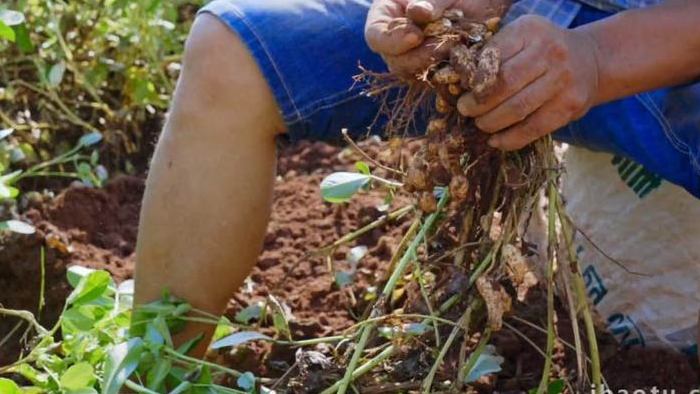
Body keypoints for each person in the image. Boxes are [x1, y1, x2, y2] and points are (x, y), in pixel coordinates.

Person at [133, 0, 700, 358]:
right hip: (524, 16)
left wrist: (598, 57)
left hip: (669, 43)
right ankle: (156, 368)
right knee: (231, 50)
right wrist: (421, 9)